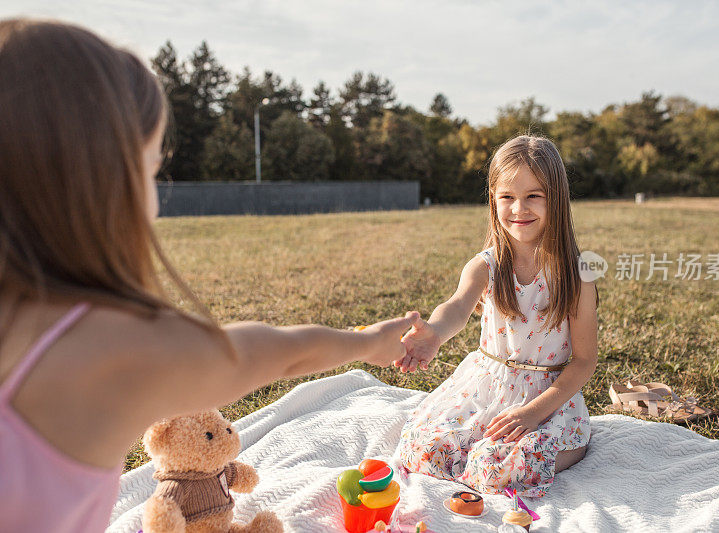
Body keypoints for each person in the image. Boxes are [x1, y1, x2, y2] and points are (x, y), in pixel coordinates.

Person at [0, 19, 417, 532]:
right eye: (153, 170)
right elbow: (276, 351)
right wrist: (371, 342)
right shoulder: (112, 348)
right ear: (106, 184)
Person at [394, 135, 598, 498]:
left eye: (534, 195)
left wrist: (533, 413)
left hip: (549, 400)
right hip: (486, 388)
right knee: (425, 451)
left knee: (497, 469)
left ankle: (556, 446)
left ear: (557, 199)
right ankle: (475, 447)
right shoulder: (486, 265)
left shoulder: (576, 275)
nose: (519, 208)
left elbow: (584, 360)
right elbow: (457, 306)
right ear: (493, 200)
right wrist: (436, 333)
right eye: (507, 197)